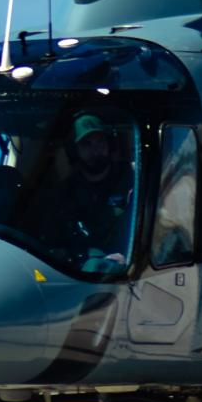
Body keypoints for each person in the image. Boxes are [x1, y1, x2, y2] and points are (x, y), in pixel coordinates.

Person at [50, 112, 138, 278]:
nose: (95, 150)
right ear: (74, 151)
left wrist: (131, 254)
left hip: (125, 268)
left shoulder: (132, 178)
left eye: (100, 142)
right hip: (80, 269)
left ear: (109, 144)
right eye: (86, 144)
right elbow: (55, 237)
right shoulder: (66, 190)